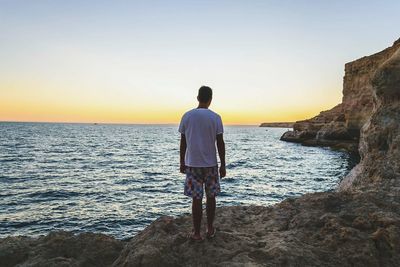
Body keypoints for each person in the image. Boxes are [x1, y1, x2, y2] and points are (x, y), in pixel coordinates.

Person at [179, 85, 226, 241]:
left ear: (198, 98)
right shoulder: (216, 117)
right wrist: (223, 164)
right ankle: (210, 228)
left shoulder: (187, 116)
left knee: (196, 199)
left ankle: (197, 233)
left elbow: (183, 142)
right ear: (210, 100)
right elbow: (220, 142)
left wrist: (182, 162)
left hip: (192, 164)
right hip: (211, 165)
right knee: (211, 197)